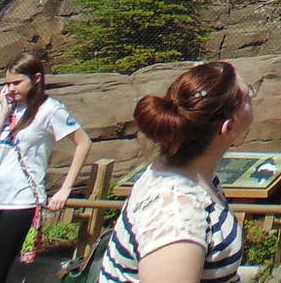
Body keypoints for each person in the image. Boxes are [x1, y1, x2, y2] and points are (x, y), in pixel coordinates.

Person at [99, 62, 254, 283]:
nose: (252, 97)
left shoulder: (193, 178)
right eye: (248, 97)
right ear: (228, 128)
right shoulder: (176, 213)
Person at [0, 52, 92, 283]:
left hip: (21, 199)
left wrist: (65, 189)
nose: (11, 88)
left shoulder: (50, 109)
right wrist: (4, 111)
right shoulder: (4, 110)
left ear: (35, 78)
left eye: (17, 83)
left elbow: (83, 142)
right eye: (7, 84)